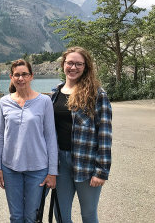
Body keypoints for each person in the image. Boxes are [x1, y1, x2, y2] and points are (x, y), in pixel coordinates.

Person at [51, 46, 112, 223]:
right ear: (63, 64)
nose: (74, 67)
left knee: (88, 215)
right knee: (61, 215)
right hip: (60, 163)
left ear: (86, 67)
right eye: (70, 63)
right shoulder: (55, 93)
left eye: (79, 64)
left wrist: (101, 171)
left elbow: (105, 134)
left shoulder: (97, 94)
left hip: (86, 163)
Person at [0, 59, 58, 223]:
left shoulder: (44, 101)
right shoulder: (4, 102)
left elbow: (51, 136)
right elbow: (0, 135)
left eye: (24, 74)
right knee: (16, 216)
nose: (20, 78)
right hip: (10, 168)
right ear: (11, 77)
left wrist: (52, 172)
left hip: (38, 169)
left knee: (31, 217)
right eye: (17, 75)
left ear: (31, 76)